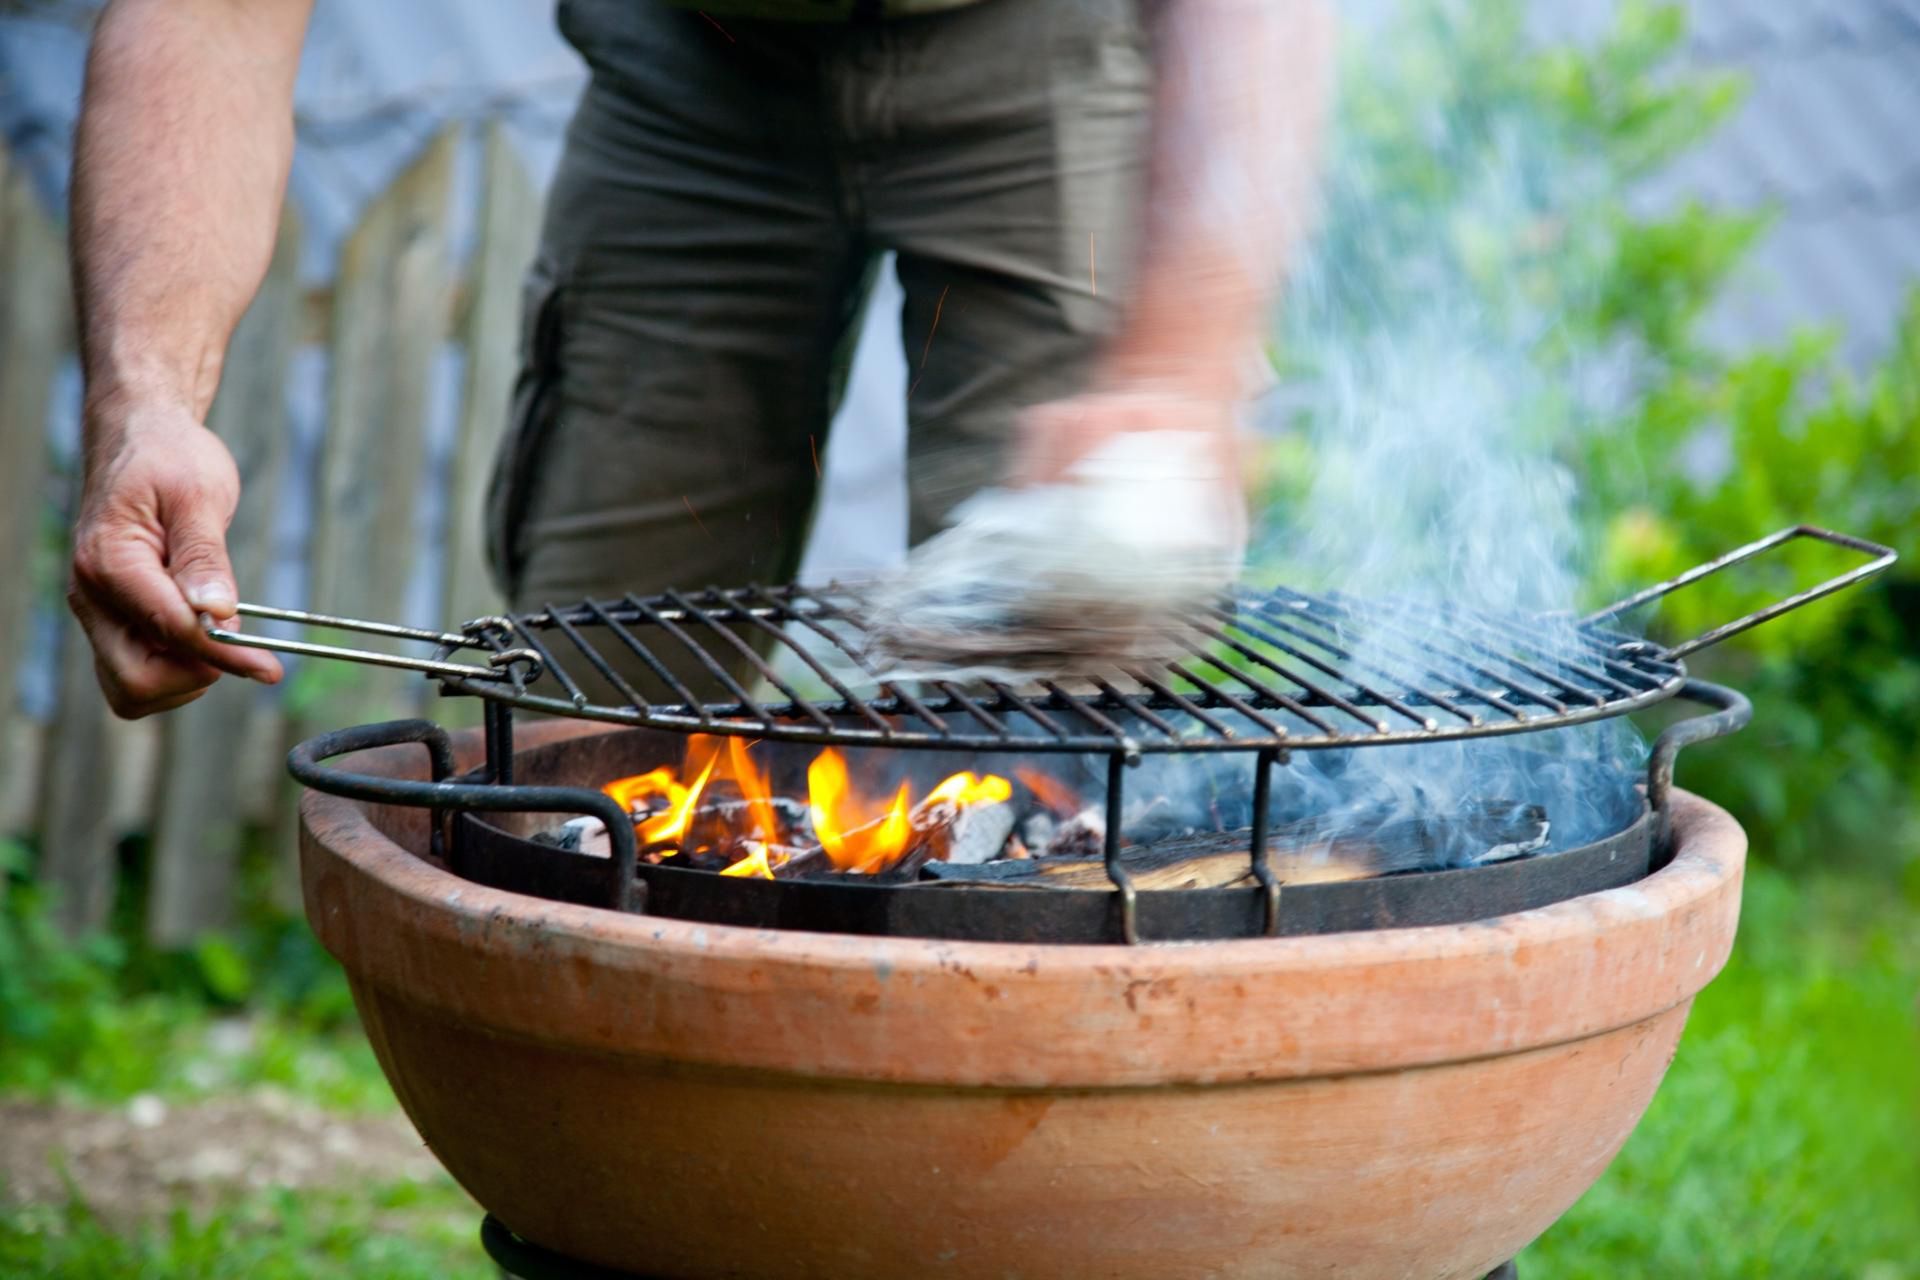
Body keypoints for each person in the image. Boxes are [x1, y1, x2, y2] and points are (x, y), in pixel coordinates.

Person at [66, 0, 1330, 719]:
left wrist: (1179, 369)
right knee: (588, 698)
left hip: (1046, 38)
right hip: (697, 50)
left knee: (1070, 719)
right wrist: (149, 408)